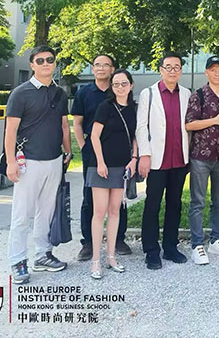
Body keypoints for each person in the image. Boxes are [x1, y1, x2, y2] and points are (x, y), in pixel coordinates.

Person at [5, 45, 72, 284]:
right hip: (28, 162)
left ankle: (43, 254)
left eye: (49, 60)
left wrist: (68, 150)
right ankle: (17, 260)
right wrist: (11, 162)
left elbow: (64, 125)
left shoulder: (60, 93)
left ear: (54, 63)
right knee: (22, 214)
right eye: (40, 60)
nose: (45, 64)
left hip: (54, 160)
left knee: (47, 212)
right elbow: (11, 130)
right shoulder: (20, 93)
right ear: (32, 65)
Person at [72, 54, 131, 262]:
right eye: (97, 65)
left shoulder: (119, 90)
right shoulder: (84, 93)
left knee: (118, 199)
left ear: (112, 69)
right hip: (93, 152)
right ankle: (88, 242)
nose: (101, 68)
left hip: (118, 153)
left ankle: (119, 239)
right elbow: (77, 122)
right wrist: (83, 146)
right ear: (92, 68)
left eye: (106, 65)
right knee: (90, 198)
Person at [136, 52, 191, 270]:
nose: (172, 71)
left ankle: (170, 247)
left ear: (181, 71)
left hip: (179, 159)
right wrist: (144, 155)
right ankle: (151, 250)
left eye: (176, 67)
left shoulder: (186, 94)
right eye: (168, 67)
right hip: (156, 159)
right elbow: (141, 127)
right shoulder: (148, 94)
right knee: (152, 204)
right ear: (160, 70)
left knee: (175, 204)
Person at [185, 56, 219, 265]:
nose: (217, 73)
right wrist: (214, 121)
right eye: (213, 69)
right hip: (200, 156)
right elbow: (189, 124)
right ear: (206, 72)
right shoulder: (198, 95)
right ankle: (197, 244)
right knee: (198, 201)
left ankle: (216, 240)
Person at [87, 70, 137, 279]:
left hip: (121, 167)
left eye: (124, 83)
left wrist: (134, 158)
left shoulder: (134, 109)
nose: (120, 87)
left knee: (115, 211)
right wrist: (100, 162)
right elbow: (94, 136)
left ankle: (111, 257)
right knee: (99, 212)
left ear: (131, 85)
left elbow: (135, 136)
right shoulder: (105, 107)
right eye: (116, 84)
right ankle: (95, 261)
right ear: (111, 87)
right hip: (101, 166)